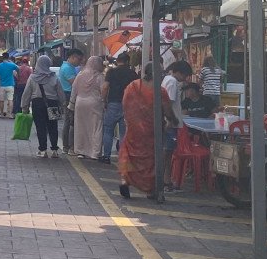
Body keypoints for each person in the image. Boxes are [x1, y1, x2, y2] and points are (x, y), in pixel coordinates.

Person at [119, 63, 183, 199]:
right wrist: (174, 121)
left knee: (129, 154)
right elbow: (167, 111)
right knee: (150, 160)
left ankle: (125, 180)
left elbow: (125, 104)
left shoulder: (133, 86)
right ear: (158, 74)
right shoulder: (160, 91)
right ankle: (150, 190)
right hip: (151, 131)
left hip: (134, 128)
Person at [21, 54, 62, 157]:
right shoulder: (54, 77)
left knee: (41, 127)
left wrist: (24, 107)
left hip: (38, 104)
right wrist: (63, 105)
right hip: (52, 104)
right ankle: (54, 150)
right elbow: (60, 93)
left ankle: (43, 150)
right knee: (53, 127)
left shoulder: (33, 77)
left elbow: (27, 93)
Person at [102, 53, 137, 159]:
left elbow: (105, 87)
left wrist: (104, 101)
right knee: (123, 132)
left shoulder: (111, 72)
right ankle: (122, 158)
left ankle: (106, 156)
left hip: (113, 103)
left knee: (108, 130)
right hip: (128, 105)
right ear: (127, 62)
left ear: (118, 61)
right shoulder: (132, 74)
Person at [71, 55, 106, 159]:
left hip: (80, 103)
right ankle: (95, 152)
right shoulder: (99, 76)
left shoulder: (80, 74)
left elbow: (74, 89)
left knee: (80, 127)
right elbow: (103, 90)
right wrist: (104, 101)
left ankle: (80, 151)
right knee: (96, 128)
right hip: (95, 103)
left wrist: (72, 102)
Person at [58, 49, 83, 153]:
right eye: (78, 58)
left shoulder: (69, 67)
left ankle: (67, 146)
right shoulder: (67, 68)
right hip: (68, 95)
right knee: (70, 122)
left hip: (68, 94)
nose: (79, 61)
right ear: (72, 57)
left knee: (69, 121)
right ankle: (68, 146)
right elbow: (75, 84)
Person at [0, 52, 17, 118]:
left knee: (1, 100)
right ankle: (10, 114)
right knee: (10, 100)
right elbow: (18, 69)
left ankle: (1, 113)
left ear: (2, 58)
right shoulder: (11, 65)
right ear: (8, 57)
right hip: (10, 84)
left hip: (2, 85)